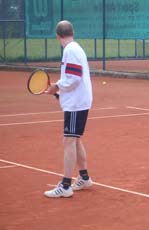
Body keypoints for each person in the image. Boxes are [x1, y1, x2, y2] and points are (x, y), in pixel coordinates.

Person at [44, 20, 93, 198]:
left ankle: (65, 186)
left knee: (69, 141)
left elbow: (73, 78)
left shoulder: (70, 50)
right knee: (75, 140)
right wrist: (57, 92)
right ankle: (84, 177)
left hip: (77, 104)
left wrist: (56, 86)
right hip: (79, 101)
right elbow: (73, 79)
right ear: (72, 32)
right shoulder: (75, 48)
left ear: (58, 36)